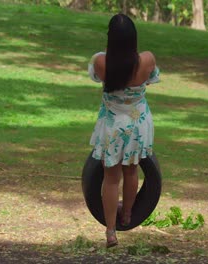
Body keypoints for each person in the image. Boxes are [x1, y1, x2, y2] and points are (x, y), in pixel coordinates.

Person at [87, 14, 160, 248]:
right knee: (131, 172)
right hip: (138, 124)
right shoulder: (147, 60)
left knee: (110, 179)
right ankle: (127, 215)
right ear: (134, 38)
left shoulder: (101, 61)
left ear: (111, 38)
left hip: (113, 125)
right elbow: (153, 78)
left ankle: (110, 231)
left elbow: (94, 76)